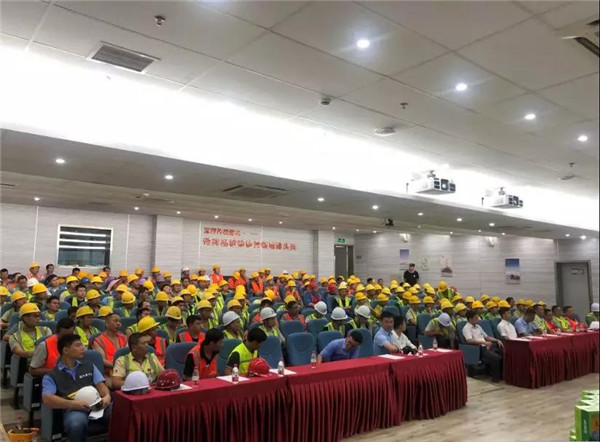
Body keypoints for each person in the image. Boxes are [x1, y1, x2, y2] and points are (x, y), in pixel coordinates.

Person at [42, 334, 111, 442]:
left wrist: (107, 397)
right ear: (65, 350)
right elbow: (47, 399)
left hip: (98, 404)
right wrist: (73, 404)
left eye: (82, 345)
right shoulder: (51, 375)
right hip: (74, 409)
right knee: (76, 424)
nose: (83, 348)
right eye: (78, 345)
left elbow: (102, 387)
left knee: (120, 410)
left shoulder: (89, 366)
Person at [462, 310, 503, 382]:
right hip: (477, 349)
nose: (478, 319)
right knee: (496, 358)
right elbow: (469, 340)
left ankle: (501, 375)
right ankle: (495, 378)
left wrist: (497, 340)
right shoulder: (466, 328)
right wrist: (484, 343)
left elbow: (486, 337)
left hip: (486, 346)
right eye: (476, 318)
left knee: (502, 352)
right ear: (470, 319)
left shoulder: (478, 326)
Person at [92, 313, 127, 378]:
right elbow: (102, 360)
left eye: (119, 321)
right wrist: (119, 366)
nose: (118, 324)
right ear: (106, 324)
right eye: (115, 321)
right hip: (109, 372)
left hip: (126, 369)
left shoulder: (125, 338)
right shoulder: (98, 340)